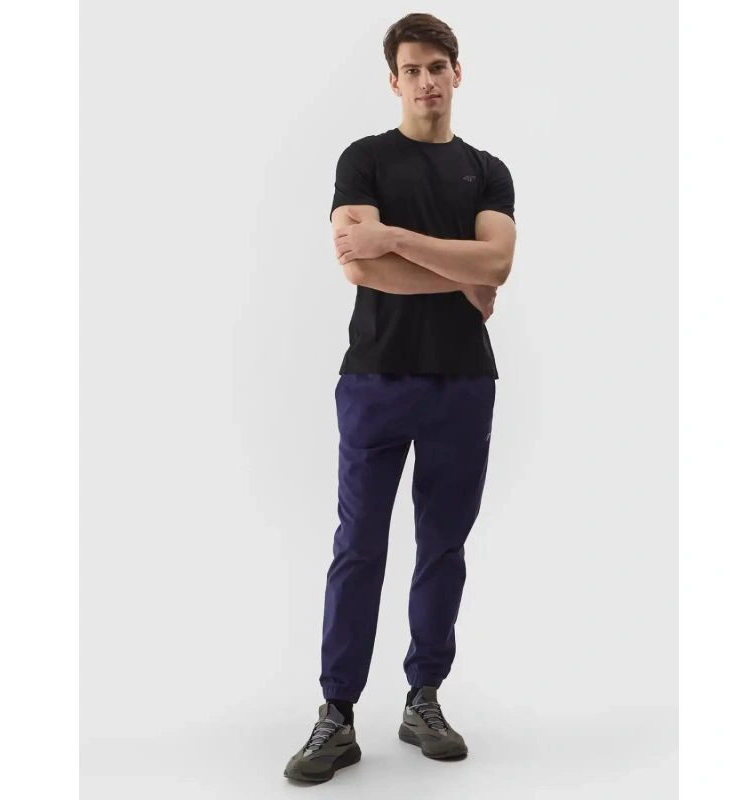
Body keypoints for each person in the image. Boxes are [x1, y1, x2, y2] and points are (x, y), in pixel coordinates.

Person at [284, 12, 517, 783]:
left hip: (464, 383)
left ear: (457, 73)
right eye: (412, 69)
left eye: (437, 67)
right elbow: (359, 267)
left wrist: (397, 240)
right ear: (394, 81)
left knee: (443, 548)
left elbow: (497, 266)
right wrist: (460, 273)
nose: (426, 80)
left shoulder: (487, 171)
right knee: (359, 547)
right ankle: (336, 714)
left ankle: (424, 699)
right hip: (375, 378)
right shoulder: (365, 160)